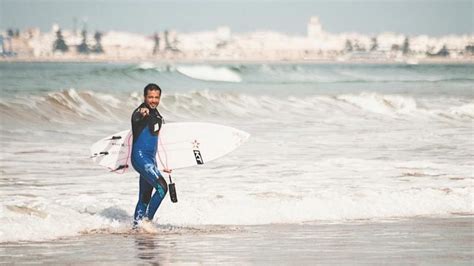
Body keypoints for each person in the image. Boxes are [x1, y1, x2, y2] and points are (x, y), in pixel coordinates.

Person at [131, 83, 171, 226]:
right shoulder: (140, 112)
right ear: (145, 97)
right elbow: (137, 117)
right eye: (150, 97)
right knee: (162, 188)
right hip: (140, 157)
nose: (153, 100)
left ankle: (137, 227)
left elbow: (158, 142)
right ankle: (147, 222)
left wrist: (165, 164)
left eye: (156, 97)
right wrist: (142, 112)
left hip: (151, 160)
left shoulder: (157, 115)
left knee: (145, 197)